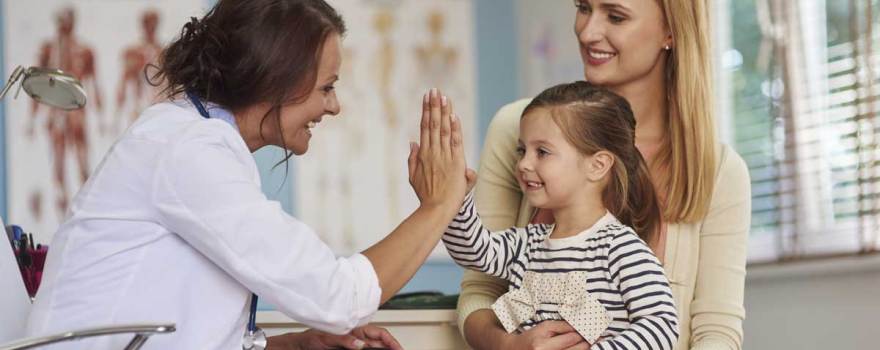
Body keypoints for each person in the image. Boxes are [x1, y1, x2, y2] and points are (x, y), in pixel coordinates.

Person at [25, 1, 470, 349]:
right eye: (327, 87)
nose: (333, 106)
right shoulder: (188, 151)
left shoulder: (191, 140)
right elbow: (338, 299)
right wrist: (439, 204)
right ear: (277, 79)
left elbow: (184, 328)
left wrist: (292, 345)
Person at [457, 1, 752, 349]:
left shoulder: (718, 171)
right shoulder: (517, 130)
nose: (586, 31)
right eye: (583, 7)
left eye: (615, 16)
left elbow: (715, 332)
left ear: (670, 31)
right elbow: (481, 286)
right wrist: (507, 345)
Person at [444, 82, 678, 349]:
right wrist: (453, 200)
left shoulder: (621, 248)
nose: (523, 164)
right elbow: (473, 252)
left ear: (597, 165)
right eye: (522, 150)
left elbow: (662, 325)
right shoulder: (526, 243)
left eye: (542, 152)